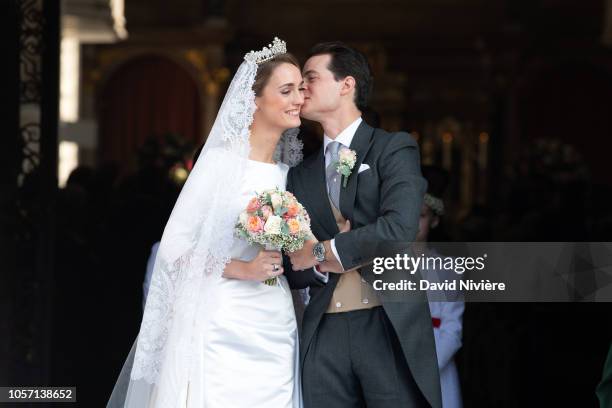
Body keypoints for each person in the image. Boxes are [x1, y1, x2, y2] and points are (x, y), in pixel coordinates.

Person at [108, 38, 305, 407]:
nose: (298, 99)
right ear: (255, 98)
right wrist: (244, 269)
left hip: (275, 322)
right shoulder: (219, 164)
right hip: (222, 322)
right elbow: (174, 250)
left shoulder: (290, 174)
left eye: (301, 89)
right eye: (286, 90)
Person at [285, 42, 442, 408]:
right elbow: (293, 259)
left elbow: (400, 228)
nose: (301, 88)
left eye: (310, 78)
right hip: (323, 329)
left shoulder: (392, 148)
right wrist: (310, 262)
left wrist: (324, 250)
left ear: (346, 85)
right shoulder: (299, 174)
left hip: (385, 323)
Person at [414, 165, 464, 408]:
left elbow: (453, 327)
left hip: (436, 360)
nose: (414, 222)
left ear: (433, 220)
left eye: (421, 216)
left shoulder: (447, 269)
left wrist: (428, 366)